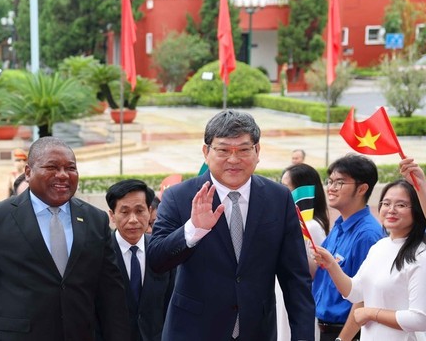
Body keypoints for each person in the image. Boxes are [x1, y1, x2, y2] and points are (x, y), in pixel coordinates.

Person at [147, 110, 314, 340]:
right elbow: (156, 260)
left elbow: (296, 279)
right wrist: (193, 229)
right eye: (223, 150)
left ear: (257, 151)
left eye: (244, 150)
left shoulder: (279, 198)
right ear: (206, 152)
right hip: (193, 331)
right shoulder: (179, 197)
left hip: (257, 331)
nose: (234, 160)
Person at [0, 137, 130, 341]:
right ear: (28, 172)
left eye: (71, 168)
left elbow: (111, 295)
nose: (63, 175)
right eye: (52, 167)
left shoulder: (95, 219)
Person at [314, 179, 426, 340]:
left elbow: (420, 319)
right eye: (386, 203)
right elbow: (355, 292)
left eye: (401, 205)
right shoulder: (380, 246)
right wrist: (331, 265)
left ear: (417, 210)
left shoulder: (420, 256)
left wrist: (371, 313)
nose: (391, 210)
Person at [312, 154, 385, 341]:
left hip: (348, 333)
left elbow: (364, 297)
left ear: (362, 188)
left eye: (340, 183)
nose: (331, 188)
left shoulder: (367, 235)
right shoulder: (339, 226)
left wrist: (342, 339)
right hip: (325, 329)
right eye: (330, 181)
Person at [105, 179, 173, 341]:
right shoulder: (99, 253)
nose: (133, 219)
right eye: (125, 212)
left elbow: (170, 303)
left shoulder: (163, 250)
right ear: (112, 215)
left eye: (139, 210)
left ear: (149, 212)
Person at [276, 163, 331, 340]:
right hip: (282, 293)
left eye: (286, 187)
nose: (281, 192)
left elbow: (314, 271)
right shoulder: (290, 221)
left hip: (297, 296)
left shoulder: (312, 226)